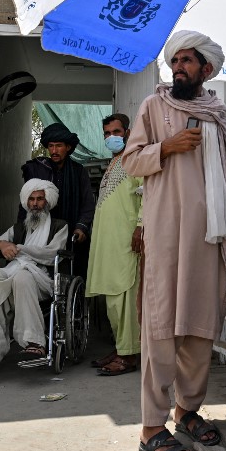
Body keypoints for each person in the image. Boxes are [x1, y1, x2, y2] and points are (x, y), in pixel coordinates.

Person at [122, 30, 226, 451]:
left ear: (206, 68)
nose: (179, 67)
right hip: (168, 234)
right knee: (163, 326)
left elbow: (225, 174)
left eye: (187, 61)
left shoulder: (215, 113)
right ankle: (152, 426)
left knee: (200, 325)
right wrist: (166, 147)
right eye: (175, 61)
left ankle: (187, 410)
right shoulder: (154, 106)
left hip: (208, 235)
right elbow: (131, 161)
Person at [0, 179, 69, 368]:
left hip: (41, 280)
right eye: (31, 199)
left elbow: (52, 253)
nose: (35, 204)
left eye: (40, 199)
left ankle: (34, 343)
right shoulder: (19, 228)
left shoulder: (59, 226)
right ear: (26, 202)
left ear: (47, 202)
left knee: (22, 277)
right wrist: (3, 244)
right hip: (12, 278)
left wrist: (19, 249)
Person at [86, 113, 143, 376]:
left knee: (124, 297)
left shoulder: (136, 158)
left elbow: (148, 193)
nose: (111, 137)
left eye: (116, 132)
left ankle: (128, 354)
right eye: (107, 134)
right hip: (107, 242)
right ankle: (121, 348)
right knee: (112, 298)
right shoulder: (113, 163)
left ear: (128, 133)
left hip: (126, 239)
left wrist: (141, 225)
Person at [21, 122, 95, 245]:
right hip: (43, 231)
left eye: (59, 146)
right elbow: (26, 201)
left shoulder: (78, 171)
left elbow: (88, 204)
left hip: (72, 230)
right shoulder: (39, 169)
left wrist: (81, 226)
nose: (54, 151)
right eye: (51, 146)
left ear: (68, 147)